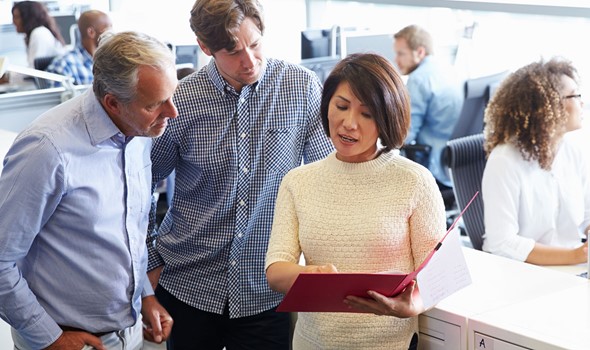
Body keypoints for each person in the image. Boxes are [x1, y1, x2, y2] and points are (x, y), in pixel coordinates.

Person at [146, 0, 334, 349]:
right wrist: (150, 258)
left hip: (265, 289)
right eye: (233, 51)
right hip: (190, 284)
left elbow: (329, 178)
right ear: (206, 47)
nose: (249, 61)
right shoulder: (180, 101)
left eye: (255, 44)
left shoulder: (301, 87)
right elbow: (140, 186)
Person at [0, 31, 177, 350]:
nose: (172, 112)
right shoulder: (47, 149)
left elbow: (129, 231)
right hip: (65, 338)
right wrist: (49, 337)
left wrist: (145, 298)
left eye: (171, 96)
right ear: (113, 103)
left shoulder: (138, 129)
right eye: (156, 104)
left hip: (129, 330)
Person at [265, 53, 446, 350]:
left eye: (367, 114)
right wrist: (308, 276)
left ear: (386, 118)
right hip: (313, 343)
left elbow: (437, 276)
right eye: (341, 106)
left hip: (390, 344)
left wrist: (412, 306)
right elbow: (275, 270)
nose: (349, 123)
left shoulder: (415, 181)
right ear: (327, 107)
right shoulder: (298, 181)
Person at [481, 57, 590, 265]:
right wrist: (576, 255)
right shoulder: (504, 160)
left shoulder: (573, 152)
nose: (582, 102)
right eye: (575, 96)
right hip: (526, 273)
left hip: (573, 269)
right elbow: (502, 243)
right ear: (549, 106)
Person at [393, 24, 464, 190]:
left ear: (420, 52)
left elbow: (405, 136)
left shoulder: (419, 79)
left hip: (435, 163)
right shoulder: (448, 69)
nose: (396, 60)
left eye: (400, 54)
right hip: (458, 161)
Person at [46, 10, 113, 86]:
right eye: (108, 29)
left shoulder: (109, 63)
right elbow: (58, 97)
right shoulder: (64, 65)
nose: (112, 34)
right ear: (91, 32)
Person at [11, 1, 65, 68]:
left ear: (28, 18)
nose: (13, 22)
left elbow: (33, 69)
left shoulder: (38, 34)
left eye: (16, 17)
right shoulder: (39, 32)